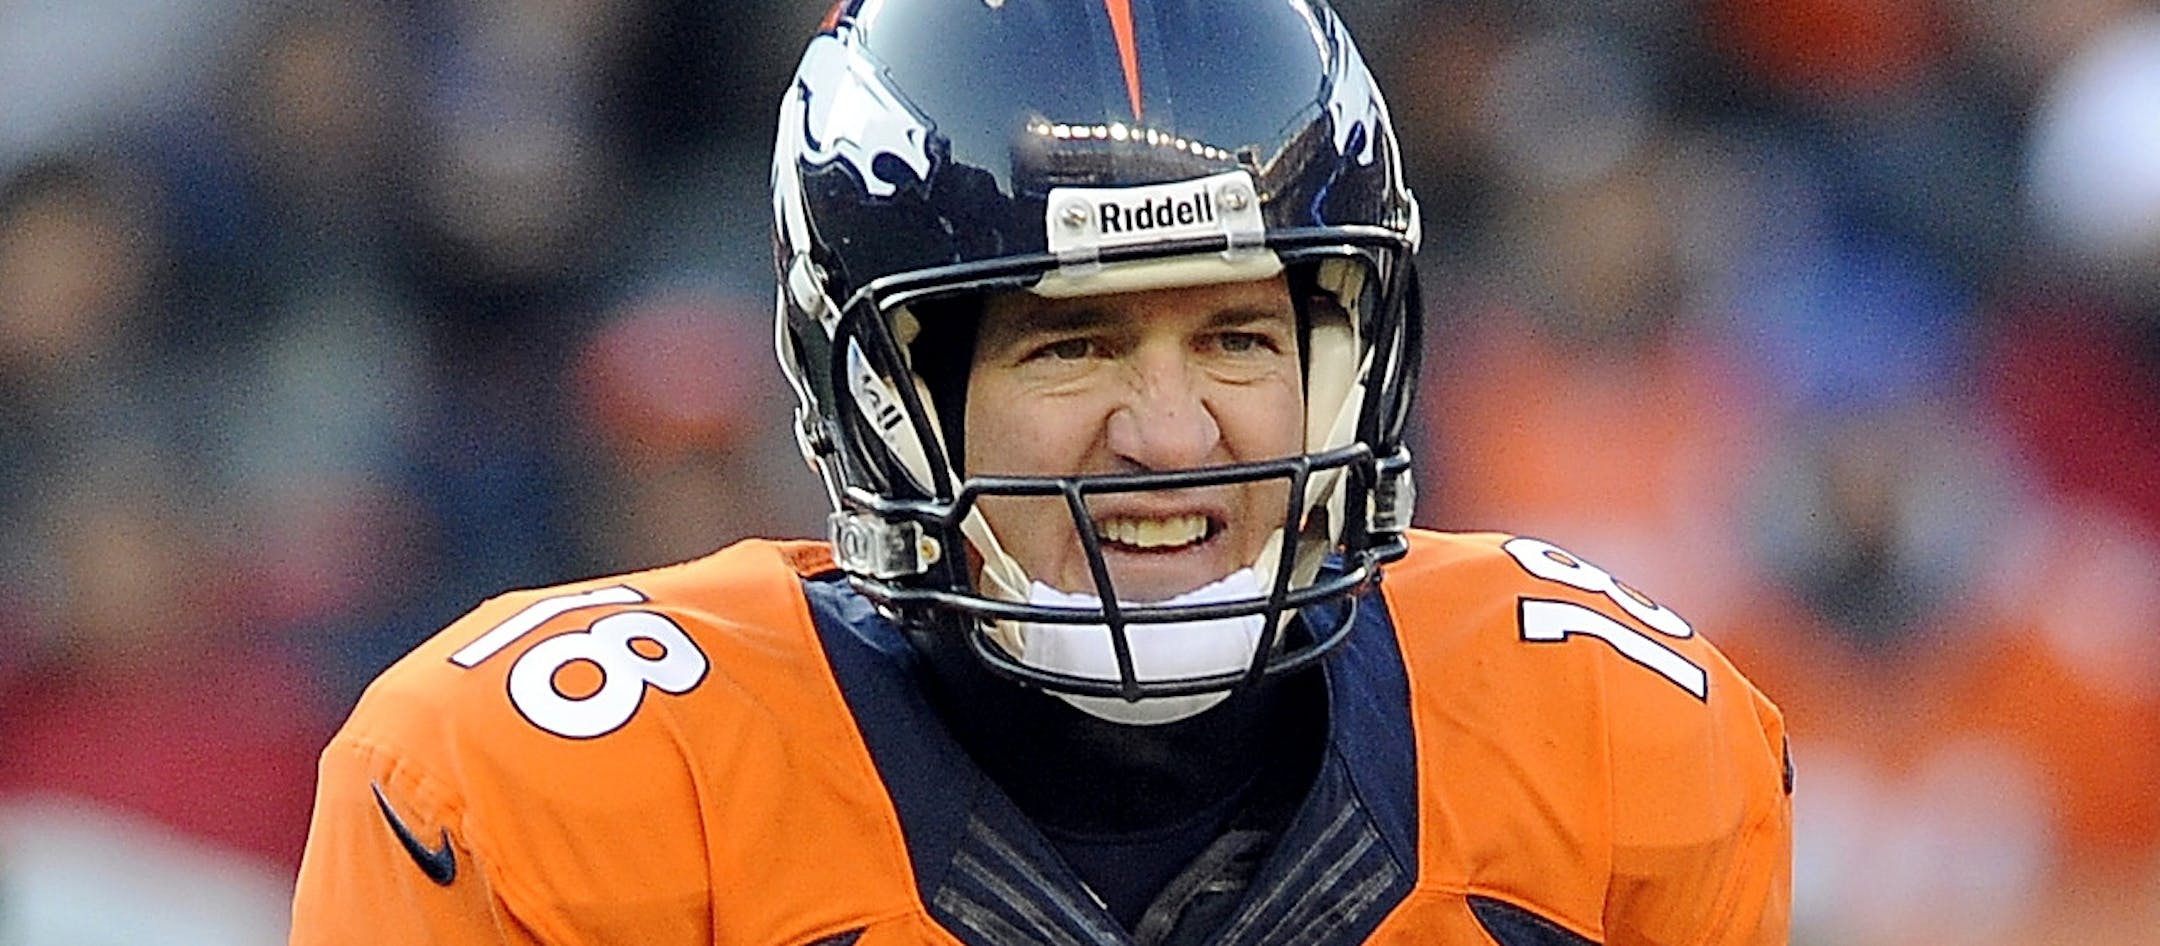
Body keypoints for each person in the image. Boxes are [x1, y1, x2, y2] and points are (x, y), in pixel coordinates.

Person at [289, 1, 1793, 943]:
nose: (1173, 430)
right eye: (1069, 348)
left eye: (1236, 336)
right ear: (891, 397)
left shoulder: (1606, 752)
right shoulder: (548, 794)